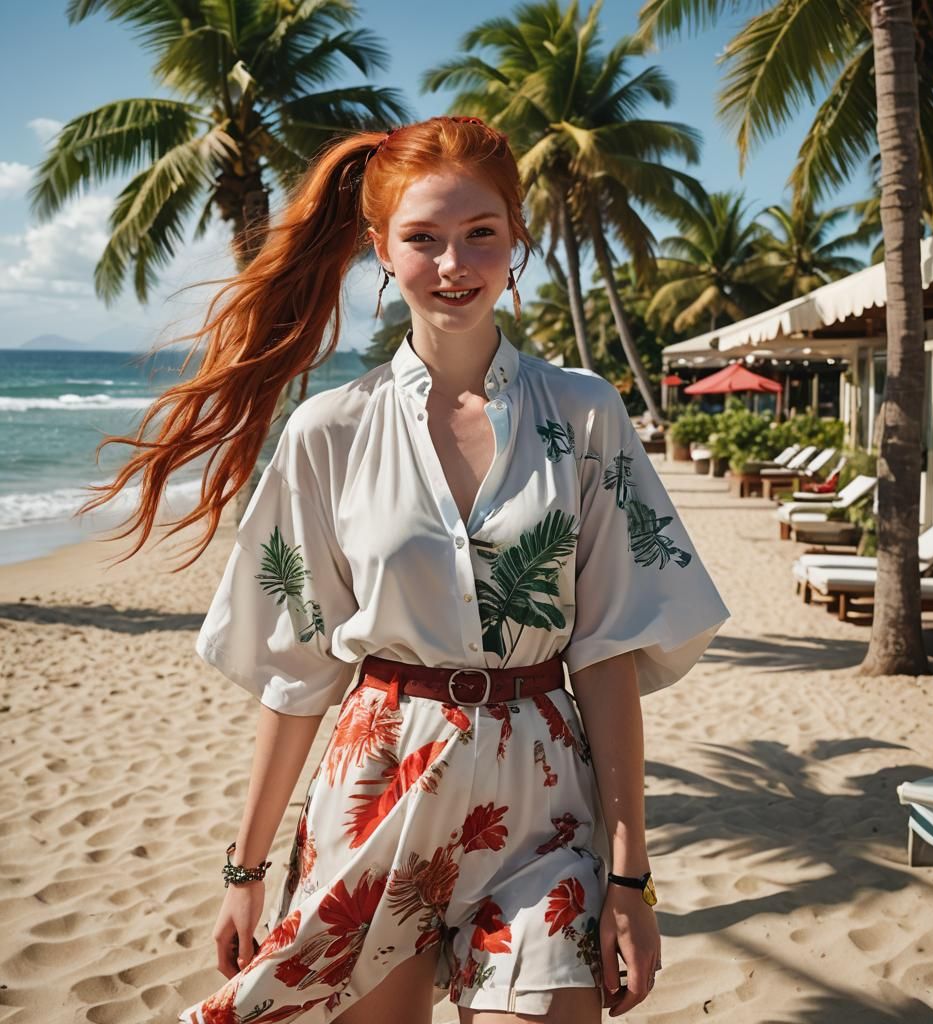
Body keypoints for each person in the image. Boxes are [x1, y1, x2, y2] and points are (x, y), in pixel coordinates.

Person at [80, 115, 730, 1024]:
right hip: (377, 784)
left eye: (480, 234)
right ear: (380, 248)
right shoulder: (330, 431)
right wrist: (246, 869)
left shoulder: (585, 416)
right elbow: (297, 667)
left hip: (545, 796)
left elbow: (609, 651)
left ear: (518, 239)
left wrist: (632, 878)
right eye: (422, 238)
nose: (454, 264)